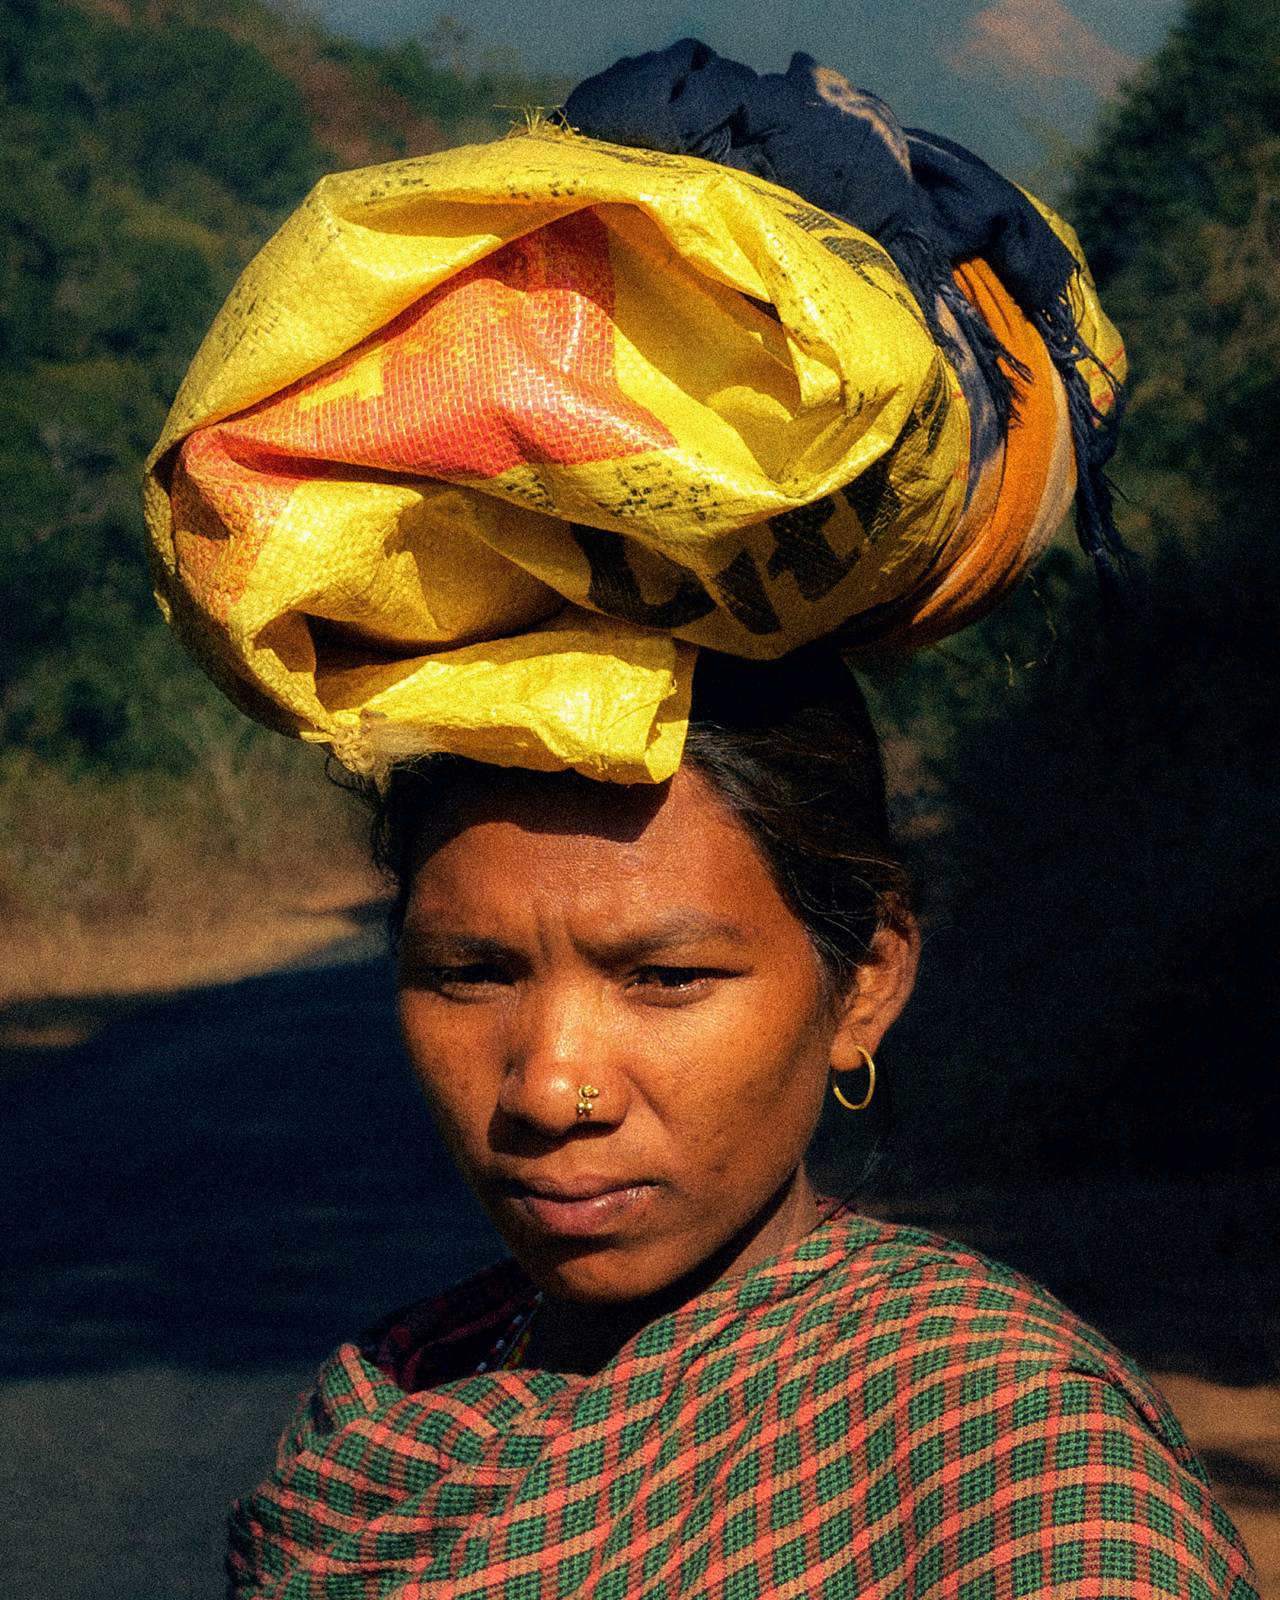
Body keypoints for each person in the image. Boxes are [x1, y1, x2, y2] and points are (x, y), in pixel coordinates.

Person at [142, 40, 1259, 1600]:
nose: (549, 1086)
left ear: (863, 976)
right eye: (470, 974)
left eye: (663, 978)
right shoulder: (383, 1423)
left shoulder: (1007, 1455)